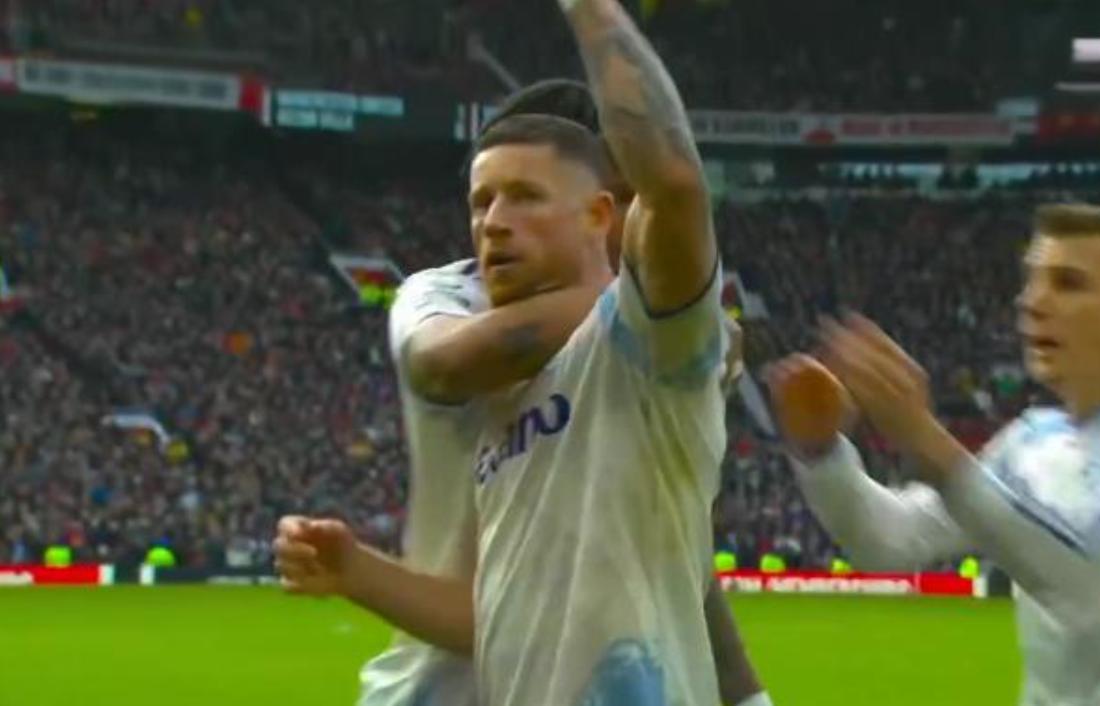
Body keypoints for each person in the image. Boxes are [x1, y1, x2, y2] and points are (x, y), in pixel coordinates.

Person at [277, 74, 771, 705]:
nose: (637, 219)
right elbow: (442, 365)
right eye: (492, 198)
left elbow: (683, 558)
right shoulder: (449, 296)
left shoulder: (649, 346)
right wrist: (677, 316)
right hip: (442, 686)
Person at [769, 203, 1100, 706]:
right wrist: (822, 453)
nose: (1032, 301)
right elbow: (889, 539)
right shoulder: (1030, 442)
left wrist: (927, 441)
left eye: (1068, 283)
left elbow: (1095, 575)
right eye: (1031, 279)